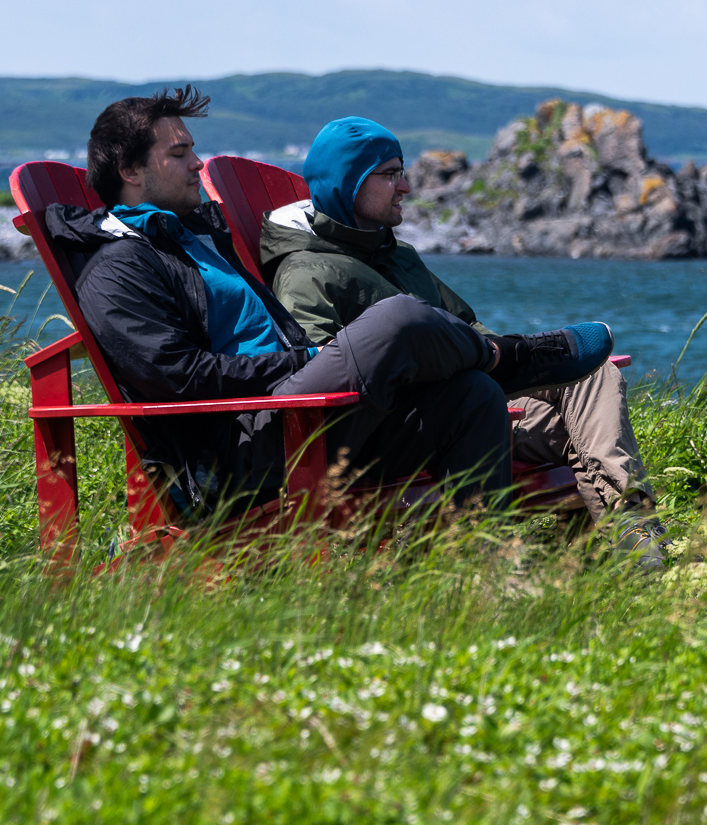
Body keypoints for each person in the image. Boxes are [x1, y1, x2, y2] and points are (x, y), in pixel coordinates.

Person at [47, 88, 609, 519]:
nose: (199, 163)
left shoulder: (196, 239)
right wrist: (300, 362)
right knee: (397, 319)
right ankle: (510, 358)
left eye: (195, 150)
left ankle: (477, 578)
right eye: (180, 153)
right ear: (130, 172)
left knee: (471, 397)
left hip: (300, 413)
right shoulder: (117, 266)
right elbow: (175, 377)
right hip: (246, 443)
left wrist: (308, 360)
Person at [261, 116, 667, 559]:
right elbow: (332, 373)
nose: (406, 187)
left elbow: (467, 328)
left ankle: (636, 541)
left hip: (480, 393)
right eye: (391, 174)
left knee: (594, 374)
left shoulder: (394, 253)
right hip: (417, 424)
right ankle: (624, 558)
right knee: (559, 415)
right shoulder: (305, 273)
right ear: (348, 183)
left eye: (404, 172)